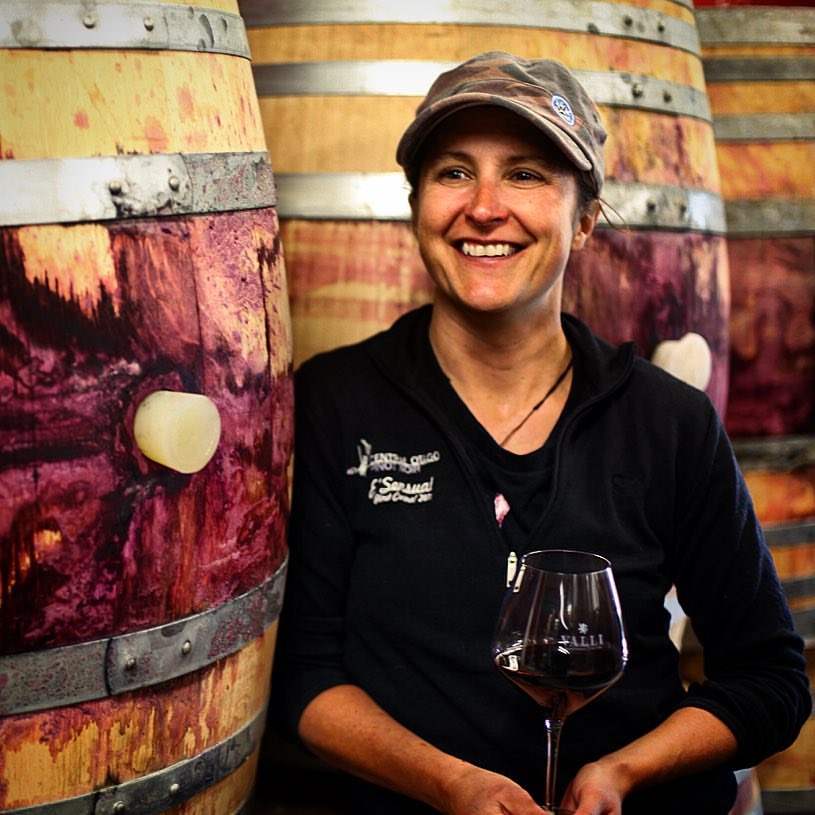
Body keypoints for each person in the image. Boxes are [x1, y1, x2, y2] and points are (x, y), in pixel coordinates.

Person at [271, 52, 811, 815]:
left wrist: (622, 772)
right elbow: (303, 674)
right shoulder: (336, 401)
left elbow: (769, 680)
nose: (484, 206)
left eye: (525, 174)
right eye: (453, 172)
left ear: (584, 218)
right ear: (416, 204)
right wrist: (450, 784)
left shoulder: (667, 422)